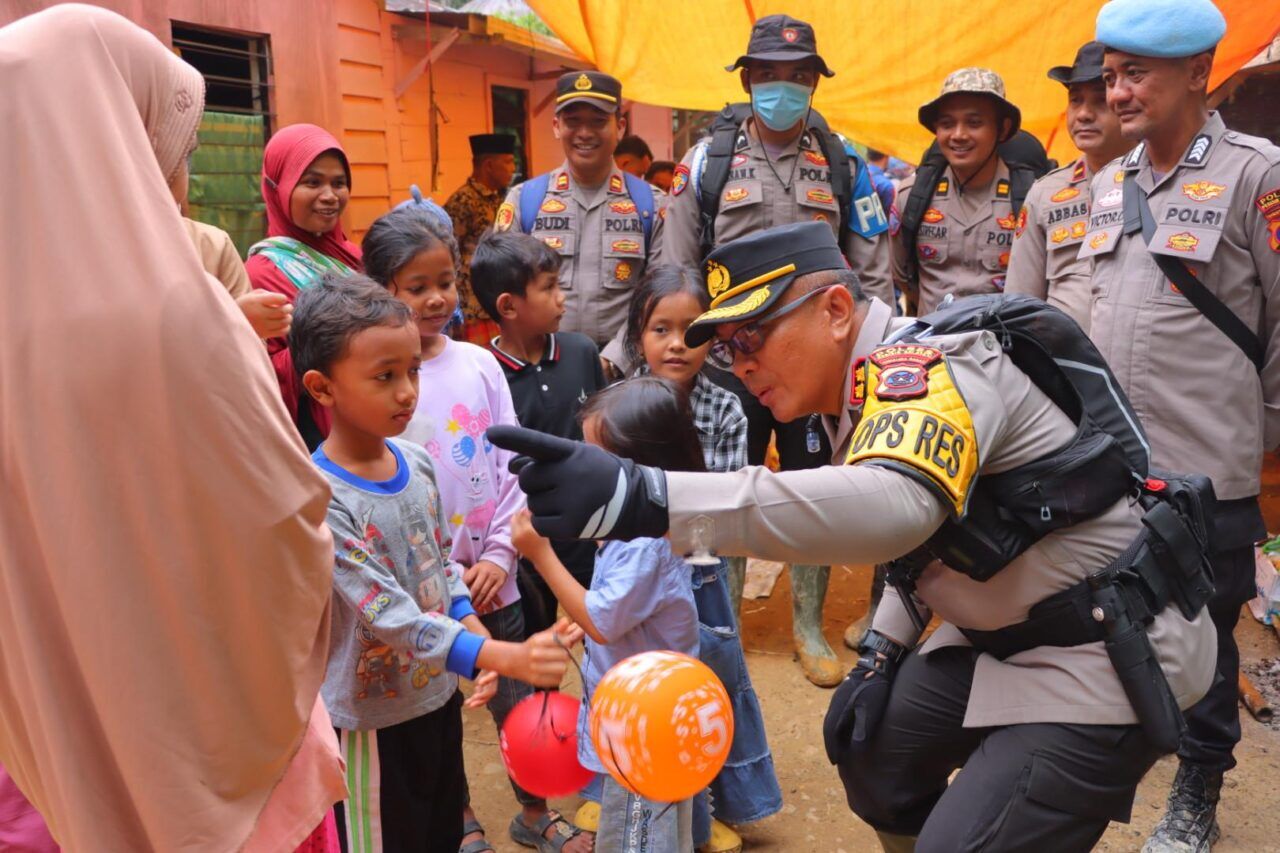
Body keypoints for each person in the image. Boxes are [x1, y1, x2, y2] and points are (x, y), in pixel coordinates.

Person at [488, 219, 1218, 852]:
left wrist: (647, 495)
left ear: (836, 309)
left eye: (753, 335)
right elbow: (924, 546)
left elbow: (899, 509)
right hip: (999, 634)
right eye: (728, 347)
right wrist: (881, 652)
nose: (741, 362)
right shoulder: (853, 392)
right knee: (874, 758)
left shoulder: (922, 368)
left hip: (1098, 650)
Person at [0, 6, 347, 850]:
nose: (182, 173)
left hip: (48, 728)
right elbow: (278, 511)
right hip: (199, 717)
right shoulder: (175, 314)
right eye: (174, 145)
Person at [1080, 1, 1280, 849]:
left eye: (1137, 73)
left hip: (1208, 468)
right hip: (1112, 468)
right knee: (1109, 619)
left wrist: (1264, 433)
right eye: (1111, 75)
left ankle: (1198, 788)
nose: (1118, 92)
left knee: (1207, 635)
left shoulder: (1256, 175)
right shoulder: (1107, 184)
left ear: (1199, 72)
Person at [291, 273, 579, 853]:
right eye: (385, 376)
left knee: (440, 828)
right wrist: (499, 653)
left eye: (413, 370)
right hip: (370, 720)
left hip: (436, 695)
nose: (407, 392)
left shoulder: (416, 462)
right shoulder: (321, 498)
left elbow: (438, 562)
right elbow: (387, 613)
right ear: (322, 388)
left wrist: (471, 629)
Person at [650, 13, 894, 686]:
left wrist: (870, 355)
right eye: (767, 75)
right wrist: (679, 349)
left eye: (797, 76)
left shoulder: (843, 163)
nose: (782, 87)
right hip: (729, 362)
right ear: (747, 80)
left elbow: (872, 265)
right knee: (728, 487)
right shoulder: (707, 161)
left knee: (814, 486)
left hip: (818, 367)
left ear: (815, 82)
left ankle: (807, 625)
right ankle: (724, 625)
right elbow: (676, 266)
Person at [361, 209, 590, 853]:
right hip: (424, 587)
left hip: (495, 577)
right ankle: (460, 818)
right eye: (416, 287)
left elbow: (511, 463)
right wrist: (439, 574)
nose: (436, 299)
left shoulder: (479, 365)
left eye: (445, 282)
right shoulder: (378, 381)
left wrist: (498, 556)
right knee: (441, 709)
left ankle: (535, 811)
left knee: (518, 699)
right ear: (381, 290)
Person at [621, 265, 785, 852]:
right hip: (632, 574)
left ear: (713, 338)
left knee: (700, 687)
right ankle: (626, 797)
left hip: (698, 577)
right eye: (660, 329)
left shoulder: (726, 409)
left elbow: (722, 509)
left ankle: (702, 803)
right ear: (637, 335)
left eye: (690, 331)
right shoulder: (619, 406)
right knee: (632, 682)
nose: (675, 344)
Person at [512, 376, 701, 853]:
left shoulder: (643, 544)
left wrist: (540, 554)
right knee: (655, 820)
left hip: (645, 727)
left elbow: (603, 618)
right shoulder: (638, 527)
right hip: (648, 712)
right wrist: (579, 622)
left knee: (641, 830)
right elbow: (621, 609)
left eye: (595, 458)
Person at [472, 231, 610, 640]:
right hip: (526, 539)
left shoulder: (582, 351)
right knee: (539, 640)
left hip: (590, 529)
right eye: (549, 288)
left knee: (605, 629)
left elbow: (605, 435)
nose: (562, 298)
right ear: (508, 306)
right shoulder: (483, 374)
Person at [493, 71, 661, 352]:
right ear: (556, 126)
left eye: (598, 121)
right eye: (573, 121)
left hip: (626, 366)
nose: (585, 133)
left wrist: (616, 360)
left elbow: (661, 296)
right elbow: (503, 288)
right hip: (545, 362)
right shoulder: (524, 200)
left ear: (620, 127)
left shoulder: (652, 205)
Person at [246, 123, 362, 449]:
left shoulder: (354, 257)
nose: (329, 196)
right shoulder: (262, 274)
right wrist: (323, 342)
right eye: (312, 182)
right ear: (277, 187)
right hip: (318, 441)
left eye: (339, 183)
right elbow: (261, 377)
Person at [1005, 42, 1131, 330]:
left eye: (1100, 100)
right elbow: (1019, 304)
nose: (1083, 114)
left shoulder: (1160, 181)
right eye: (1075, 100)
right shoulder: (1045, 193)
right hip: (1062, 356)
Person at [893, 68, 1028, 315]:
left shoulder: (1029, 198)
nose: (958, 135)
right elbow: (902, 275)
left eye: (974, 123)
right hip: (932, 335)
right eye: (947, 124)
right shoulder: (911, 197)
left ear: (1002, 128)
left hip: (1004, 337)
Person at [444, 133, 519, 345]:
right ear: (488, 165)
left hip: (498, 301)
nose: (513, 169)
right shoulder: (463, 201)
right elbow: (447, 252)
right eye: (508, 162)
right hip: (472, 308)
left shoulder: (502, 199)